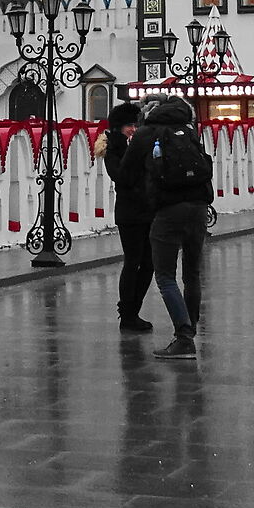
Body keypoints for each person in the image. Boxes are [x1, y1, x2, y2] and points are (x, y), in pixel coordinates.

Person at [139, 96, 214, 360]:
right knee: (192, 273)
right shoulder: (190, 132)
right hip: (198, 207)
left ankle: (184, 338)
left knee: (165, 275)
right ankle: (190, 330)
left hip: (169, 209)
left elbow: (135, 171)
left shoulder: (151, 133)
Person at [100, 100, 154, 333]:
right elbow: (122, 177)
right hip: (130, 213)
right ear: (118, 127)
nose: (133, 129)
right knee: (133, 261)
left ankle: (134, 310)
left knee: (150, 263)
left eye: (135, 124)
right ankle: (127, 314)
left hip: (147, 211)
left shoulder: (134, 145)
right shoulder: (112, 148)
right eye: (128, 125)